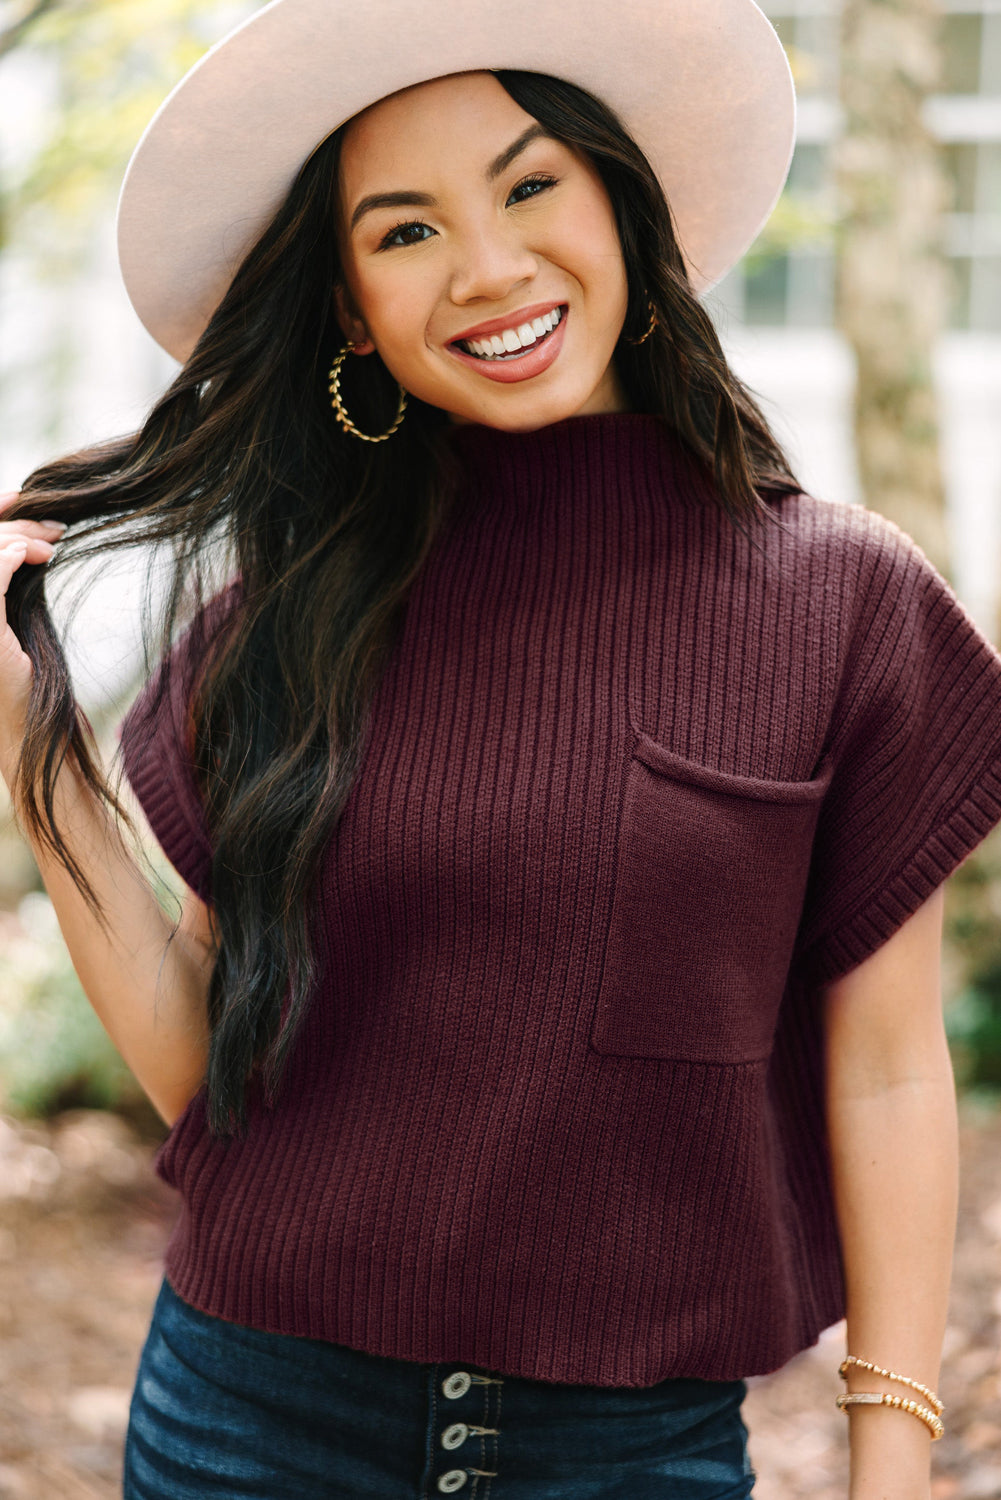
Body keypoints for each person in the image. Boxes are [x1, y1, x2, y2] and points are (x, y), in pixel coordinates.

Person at [1, 1, 999, 1496]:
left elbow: (886, 1076)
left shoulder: (840, 604)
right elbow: (216, 1064)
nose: (487, 268)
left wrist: (889, 1459)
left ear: (619, 202)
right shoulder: (284, 619)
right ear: (348, 309)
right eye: (403, 234)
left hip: (628, 1454)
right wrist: (31, 743)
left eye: (530, 186)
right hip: (247, 1429)